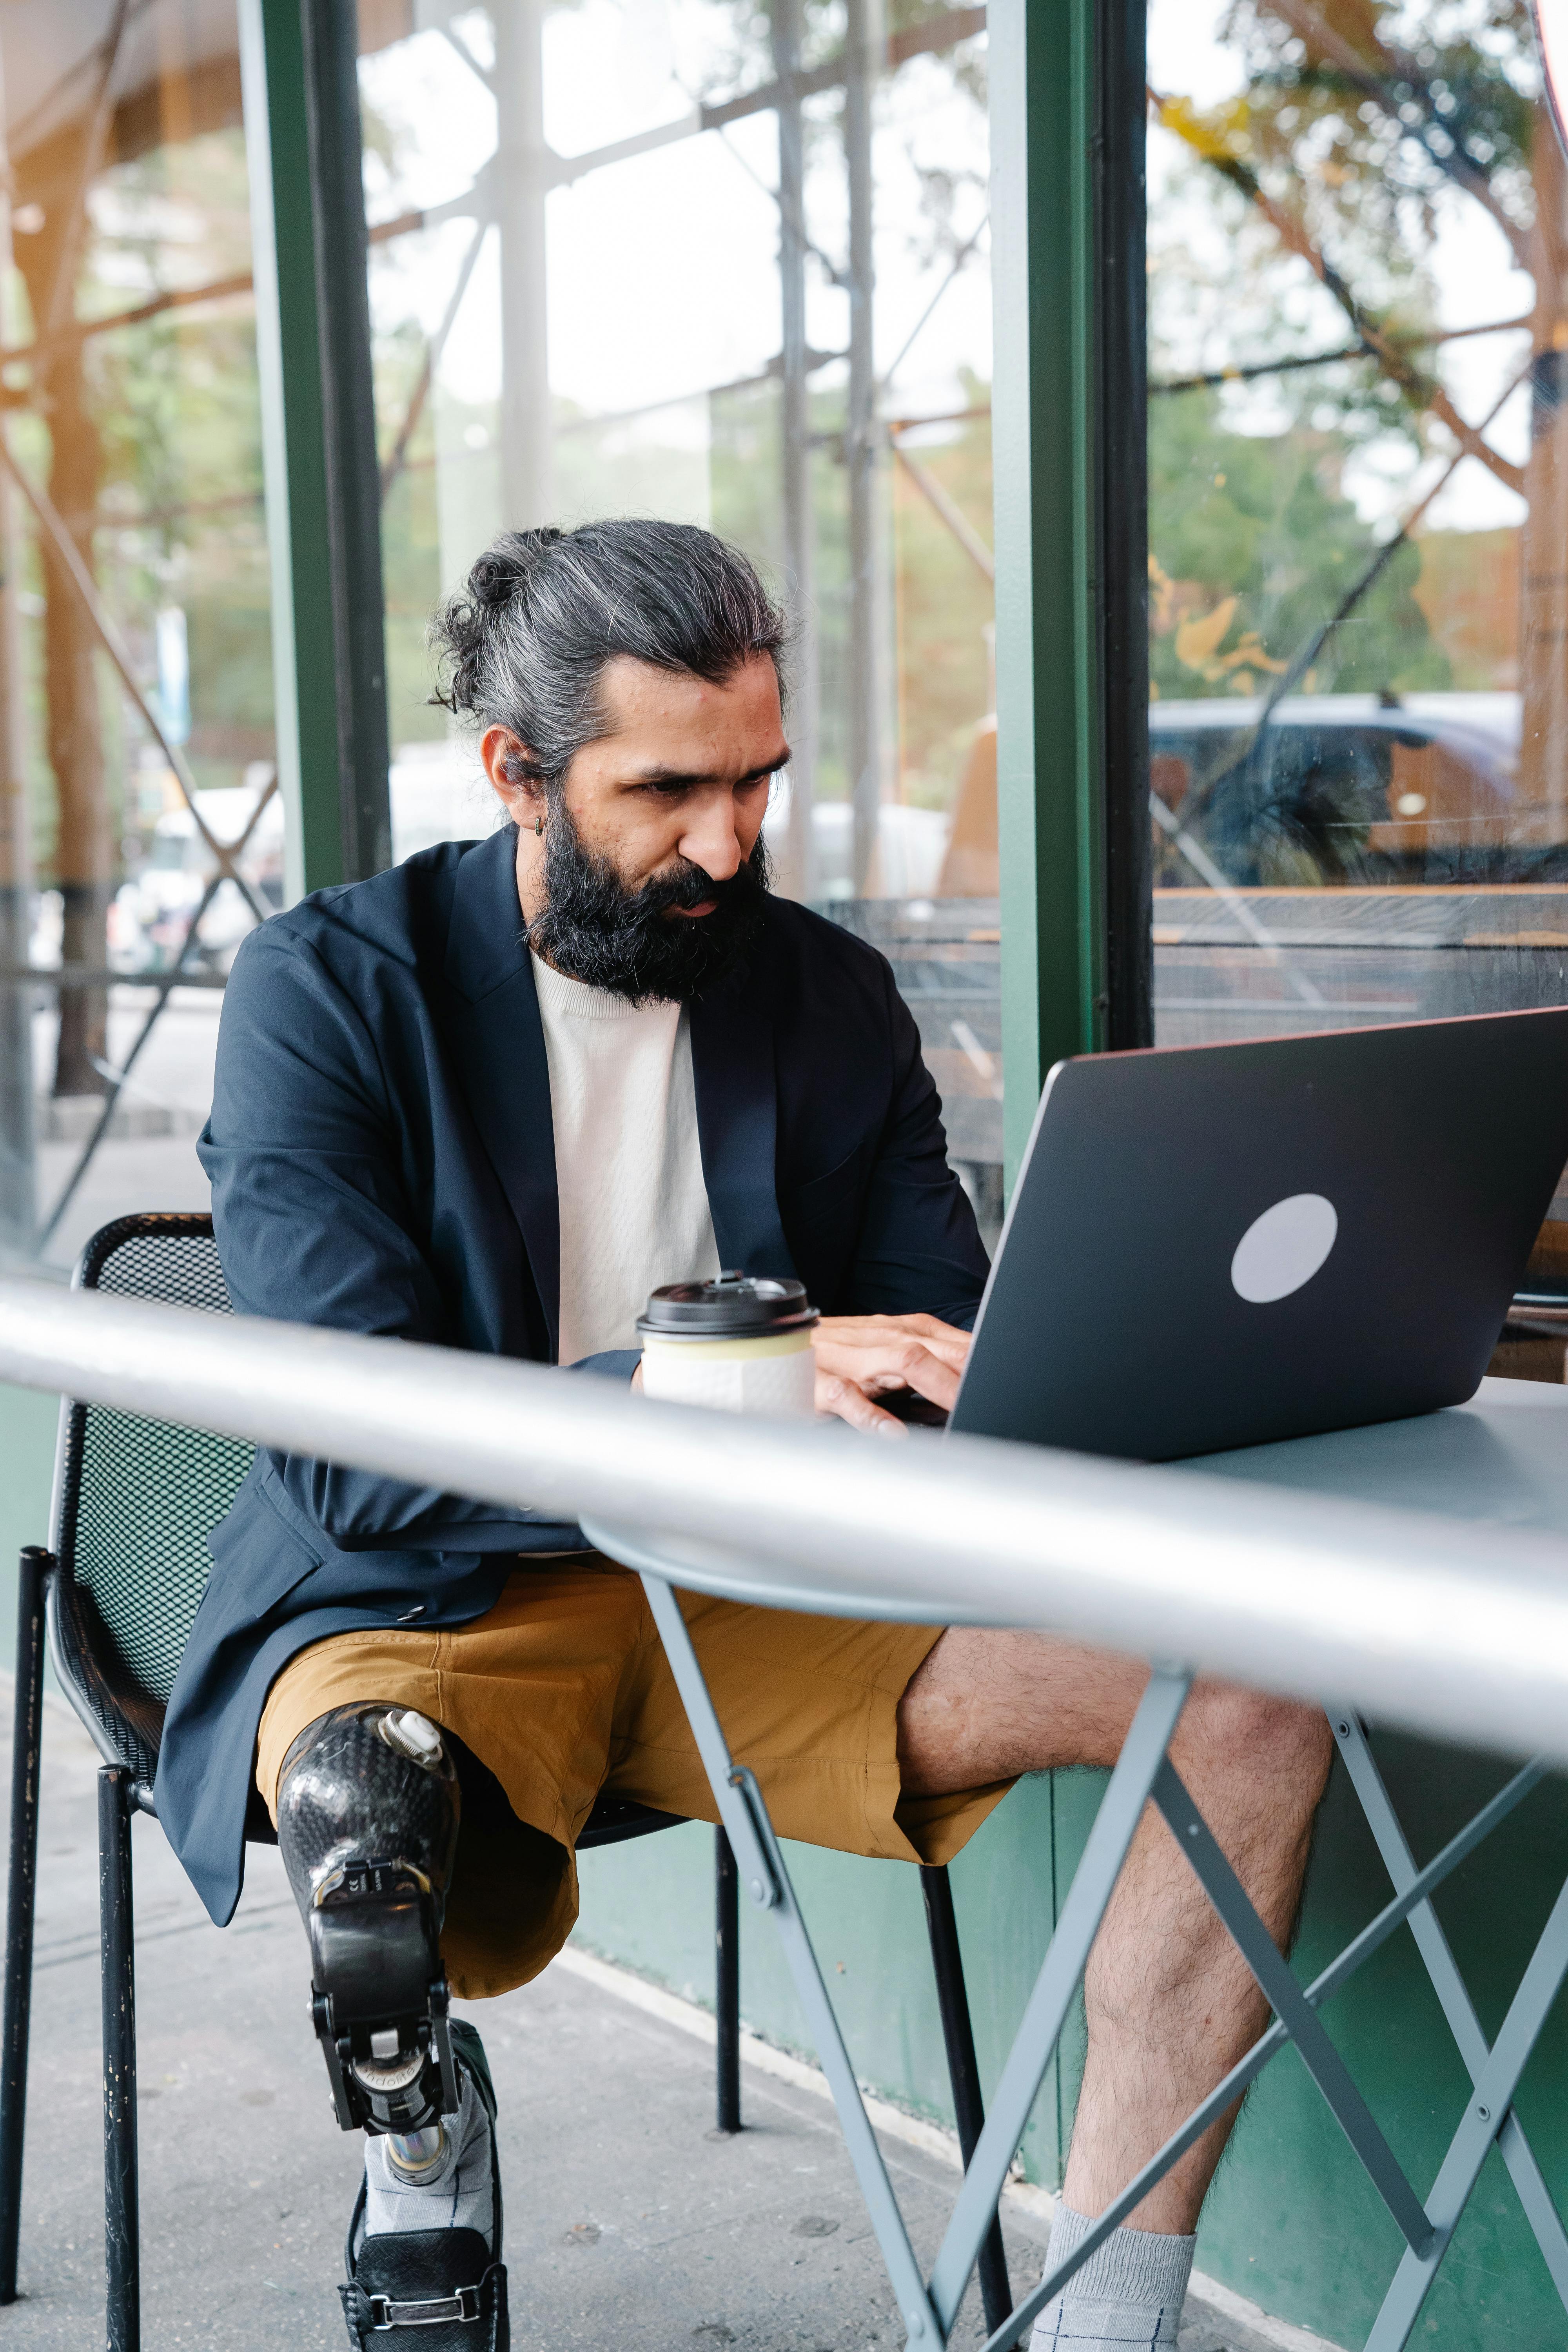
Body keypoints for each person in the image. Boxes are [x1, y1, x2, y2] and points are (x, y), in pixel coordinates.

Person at [161, 518, 1332, 2352]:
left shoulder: (824, 993)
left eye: (762, 780)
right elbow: (357, 1449)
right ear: (516, 772)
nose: (731, 841)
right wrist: (737, 1385)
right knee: (360, 1825)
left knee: (1251, 1699)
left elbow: (934, 1343)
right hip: (436, 1595)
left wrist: (1057, 1392)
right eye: (669, 790)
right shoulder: (328, 994)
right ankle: (420, 2147)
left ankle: (1112, 2323)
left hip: (772, 1594)